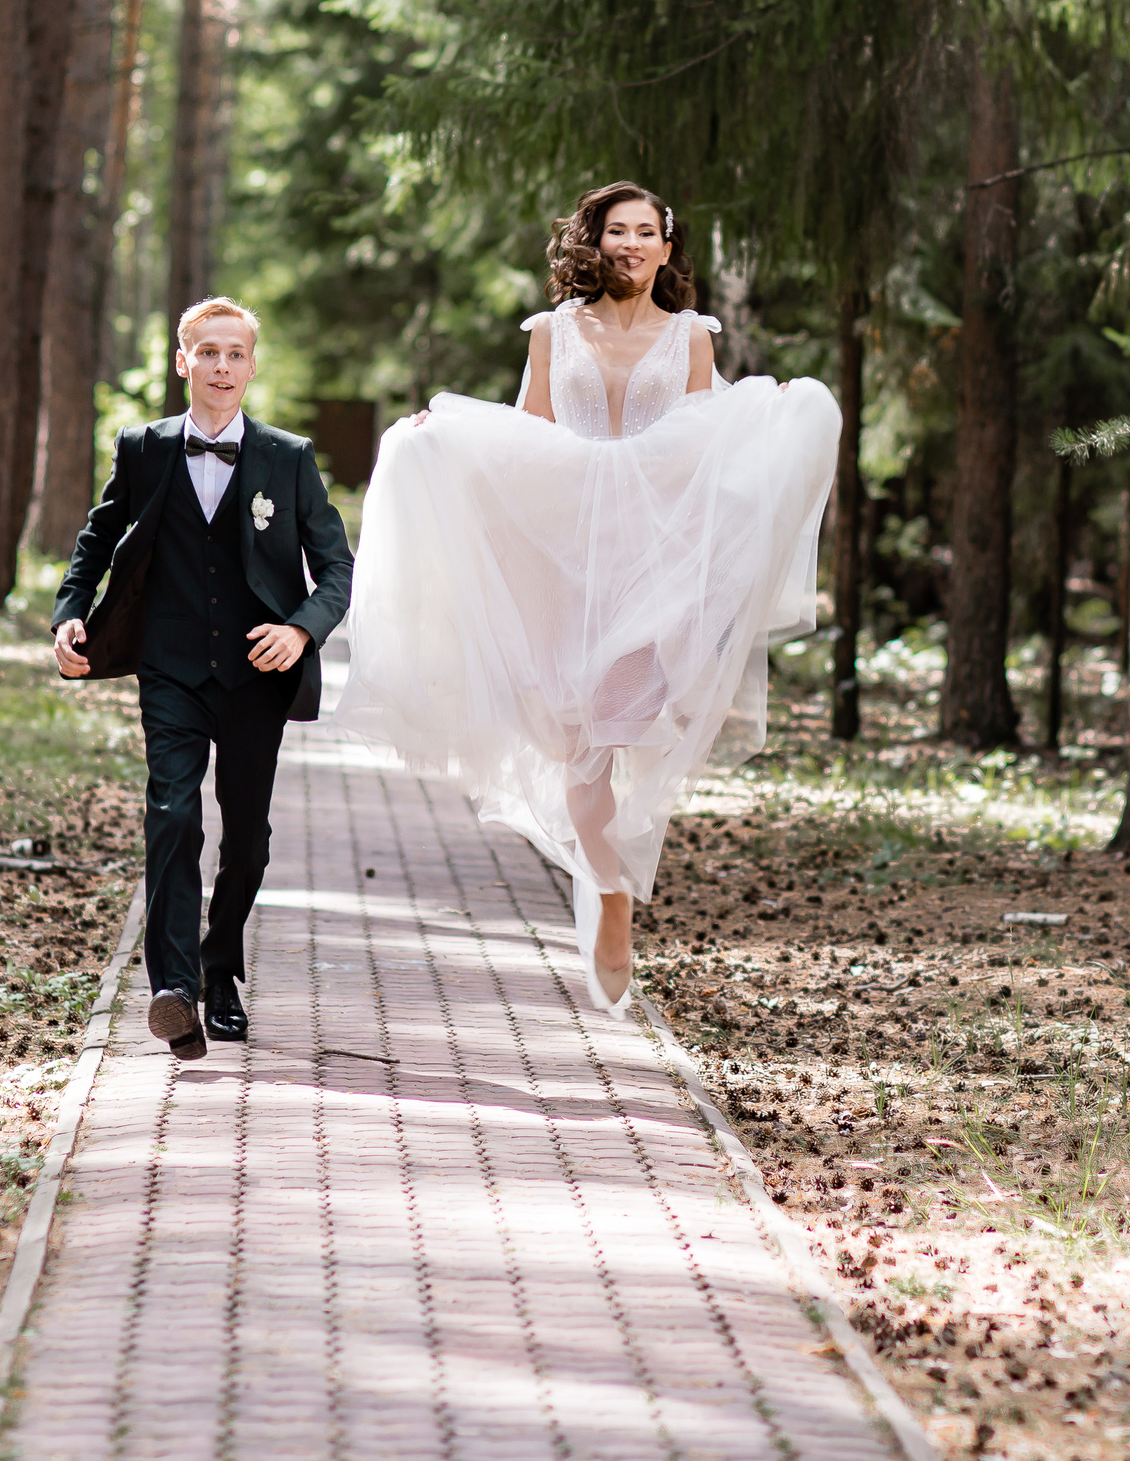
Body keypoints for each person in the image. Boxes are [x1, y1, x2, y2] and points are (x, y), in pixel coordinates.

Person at [331, 183, 838, 1013]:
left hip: (651, 556)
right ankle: (608, 889)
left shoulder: (691, 339)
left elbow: (706, 449)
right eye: (617, 231)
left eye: (647, 233)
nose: (632, 244)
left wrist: (769, 418)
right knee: (577, 745)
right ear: (593, 243)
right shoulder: (552, 332)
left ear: (668, 250)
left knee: (624, 722)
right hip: (564, 551)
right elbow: (526, 433)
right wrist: (447, 444)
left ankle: (617, 866)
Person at [51, 298, 354, 1059]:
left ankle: (222, 968)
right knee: (173, 816)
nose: (221, 366)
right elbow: (98, 535)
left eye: (235, 354)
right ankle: (175, 990)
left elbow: (338, 570)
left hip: (256, 674)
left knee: (246, 841)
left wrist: (300, 629)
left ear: (252, 366)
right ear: (183, 362)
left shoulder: (288, 457)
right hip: (172, 668)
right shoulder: (145, 447)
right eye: (207, 352)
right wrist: (69, 613)